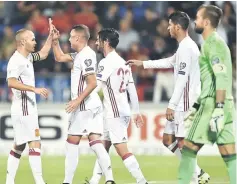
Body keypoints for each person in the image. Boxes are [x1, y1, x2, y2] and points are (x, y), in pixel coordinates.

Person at [127, 11, 210, 184]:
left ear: (178, 27)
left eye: (170, 25)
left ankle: (195, 179)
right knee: (168, 140)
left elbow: (181, 79)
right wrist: (143, 63)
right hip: (182, 101)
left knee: (182, 143)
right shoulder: (184, 47)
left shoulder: (187, 48)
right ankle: (198, 172)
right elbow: (169, 61)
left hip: (185, 103)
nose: (168, 28)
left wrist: (172, 105)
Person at [178, 5, 236, 184]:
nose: (195, 20)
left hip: (213, 105)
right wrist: (196, 106)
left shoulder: (213, 44)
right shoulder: (212, 43)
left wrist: (217, 108)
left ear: (206, 22)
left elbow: (221, 77)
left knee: (187, 149)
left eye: (197, 17)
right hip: (224, 104)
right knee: (229, 153)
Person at [51, 24, 115, 184]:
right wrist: (54, 41)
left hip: (84, 106)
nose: (70, 39)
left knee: (71, 143)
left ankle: (67, 181)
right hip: (91, 105)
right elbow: (59, 57)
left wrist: (76, 100)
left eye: (71, 37)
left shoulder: (86, 56)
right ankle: (110, 180)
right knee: (96, 144)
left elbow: (92, 82)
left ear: (78, 38)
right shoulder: (80, 54)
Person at [88, 28, 147, 184]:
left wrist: (82, 100)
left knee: (122, 150)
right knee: (104, 147)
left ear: (105, 42)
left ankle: (142, 181)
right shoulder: (123, 62)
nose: (96, 43)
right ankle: (94, 180)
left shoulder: (106, 63)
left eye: (98, 40)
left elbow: (96, 86)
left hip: (114, 113)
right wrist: (136, 112)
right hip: (120, 111)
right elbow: (132, 90)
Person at [6, 18, 53, 184]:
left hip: (24, 108)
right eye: (32, 39)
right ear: (23, 41)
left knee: (19, 145)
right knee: (35, 143)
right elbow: (11, 82)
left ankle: (9, 181)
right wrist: (33, 89)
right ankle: (40, 181)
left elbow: (44, 53)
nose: (35, 42)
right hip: (24, 108)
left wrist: (51, 37)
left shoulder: (27, 58)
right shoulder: (16, 60)